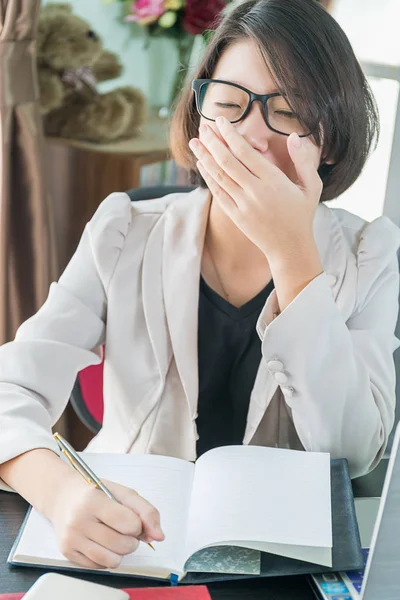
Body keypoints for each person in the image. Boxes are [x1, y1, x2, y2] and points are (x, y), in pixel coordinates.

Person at [0, 0, 399, 571]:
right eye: (230, 105)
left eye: (284, 112)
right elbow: (9, 389)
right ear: (198, 118)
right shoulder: (124, 228)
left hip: (280, 561)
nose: (249, 137)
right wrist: (59, 491)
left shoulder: (372, 252)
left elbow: (354, 453)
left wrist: (292, 255)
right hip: (128, 546)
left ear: (331, 141)